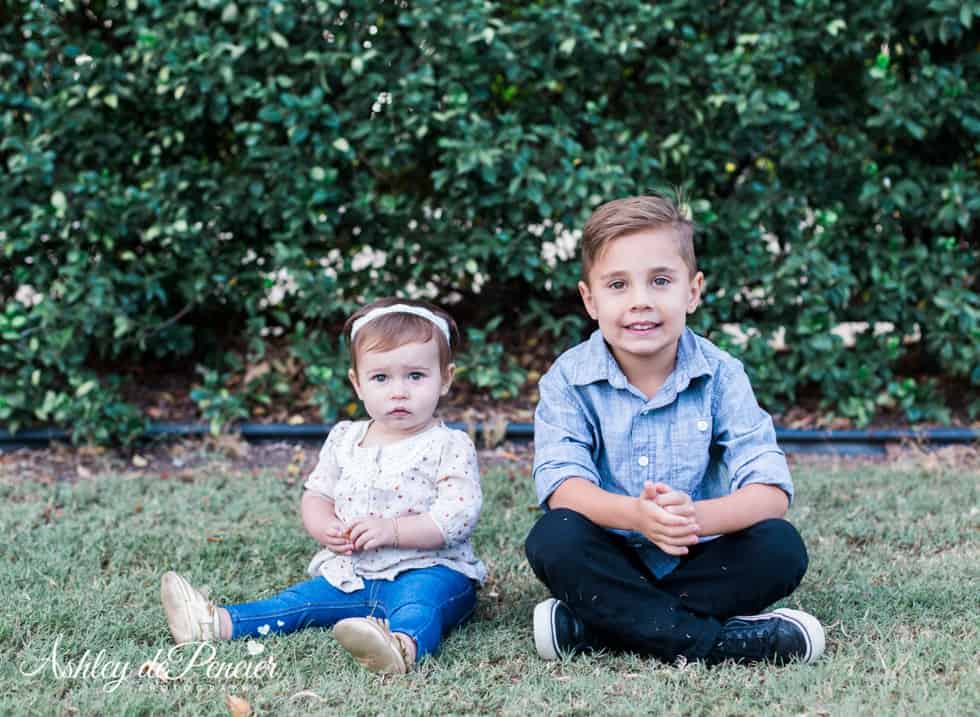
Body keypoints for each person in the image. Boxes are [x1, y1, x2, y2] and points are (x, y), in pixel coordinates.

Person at [525, 194, 825, 665]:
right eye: (618, 285)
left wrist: (693, 519)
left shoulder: (721, 374)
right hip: (611, 555)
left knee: (780, 546)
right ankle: (717, 644)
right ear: (590, 299)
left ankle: (598, 625)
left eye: (660, 281)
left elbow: (771, 491)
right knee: (554, 537)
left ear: (692, 290)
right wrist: (637, 517)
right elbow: (562, 486)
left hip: (700, 557)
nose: (640, 301)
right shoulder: (568, 378)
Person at [161, 298, 486, 674]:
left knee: (420, 606)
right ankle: (216, 623)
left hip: (431, 569)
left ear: (445, 378)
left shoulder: (448, 445)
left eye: (415, 376)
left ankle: (401, 647)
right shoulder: (345, 438)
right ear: (357, 383)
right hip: (353, 573)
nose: (399, 391)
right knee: (297, 602)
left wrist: (394, 530)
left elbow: (457, 517)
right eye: (381, 378)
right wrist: (324, 526)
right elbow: (317, 494)